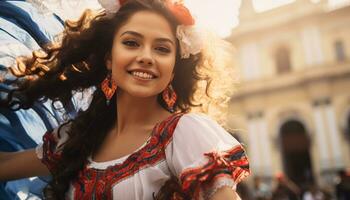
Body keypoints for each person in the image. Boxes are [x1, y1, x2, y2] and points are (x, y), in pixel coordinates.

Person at [0, 0, 250, 199]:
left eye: (162, 49)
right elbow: (6, 165)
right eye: (131, 43)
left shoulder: (183, 134)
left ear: (174, 68)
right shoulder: (78, 138)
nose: (146, 57)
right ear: (109, 58)